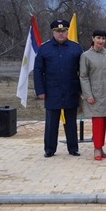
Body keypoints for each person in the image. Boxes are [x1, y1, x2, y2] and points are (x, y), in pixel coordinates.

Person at [34, 19, 83, 157]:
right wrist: (40, 90)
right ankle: (49, 149)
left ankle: (73, 148)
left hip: (71, 89)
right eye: (58, 31)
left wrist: (81, 89)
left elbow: (82, 71)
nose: (61, 34)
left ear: (67, 31)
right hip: (52, 91)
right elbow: (38, 70)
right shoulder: (44, 48)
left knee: (71, 122)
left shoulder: (76, 47)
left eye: (63, 31)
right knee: (51, 122)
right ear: (53, 32)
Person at [78, 29, 106, 160]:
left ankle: (101, 147)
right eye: (98, 38)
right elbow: (83, 76)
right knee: (98, 121)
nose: (101, 41)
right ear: (93, 38)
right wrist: (88, 94)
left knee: (104, 121)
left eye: (103, 38)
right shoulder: (86, 55)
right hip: (95, 94)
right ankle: (97, 148)